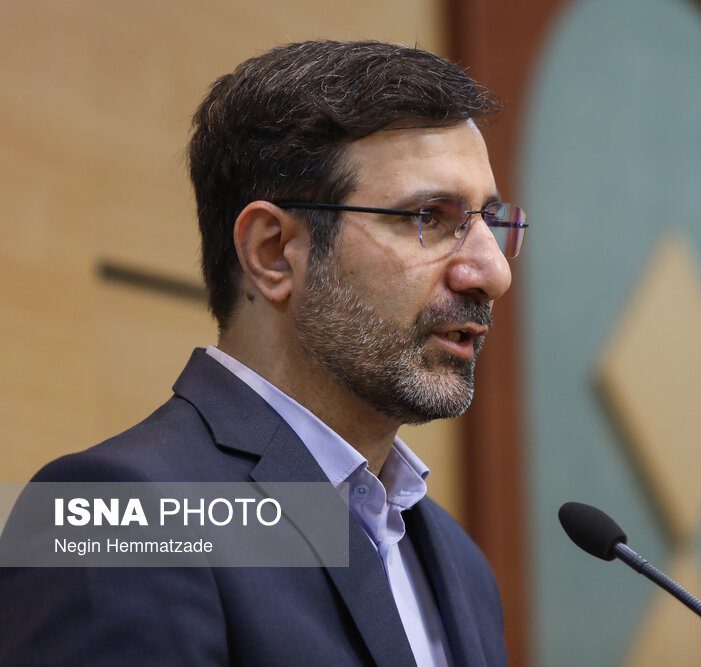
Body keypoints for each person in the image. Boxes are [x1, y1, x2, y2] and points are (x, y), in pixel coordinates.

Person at [0, 40, 525, 666]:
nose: (492, 273)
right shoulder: (121, 518)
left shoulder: (462, 567)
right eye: (429, 217)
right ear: (273, 252)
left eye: (490, 221)